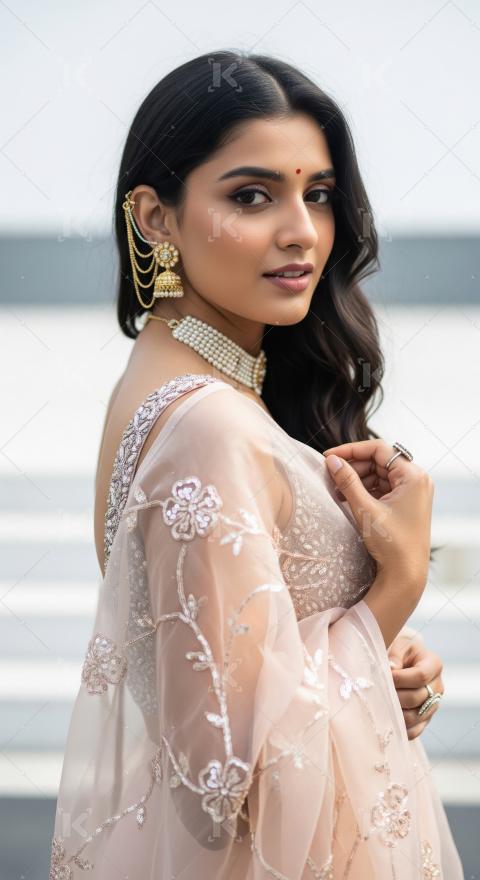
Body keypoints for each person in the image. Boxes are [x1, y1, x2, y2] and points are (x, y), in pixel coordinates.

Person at [48, 50, 464, 878]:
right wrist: (393, 589)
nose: (301, 231)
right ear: (155, 217)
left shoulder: (191, 388)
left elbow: (240, 664)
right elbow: (221, 791)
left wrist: (381, 660)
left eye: (317, 195)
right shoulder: (207, 426)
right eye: (251, 195)